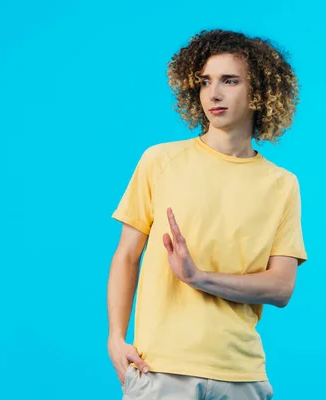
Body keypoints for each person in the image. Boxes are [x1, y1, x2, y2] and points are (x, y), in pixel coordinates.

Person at [107, 29, 308, 400]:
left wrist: (199, 278)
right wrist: (116, 338)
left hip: (242, 374)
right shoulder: (160, 161)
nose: (213, 94)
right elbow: (127, 255)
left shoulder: (282, 184)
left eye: (229, 81)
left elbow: (281, 288)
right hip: (161, 368)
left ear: (260, 92)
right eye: (204, 82)